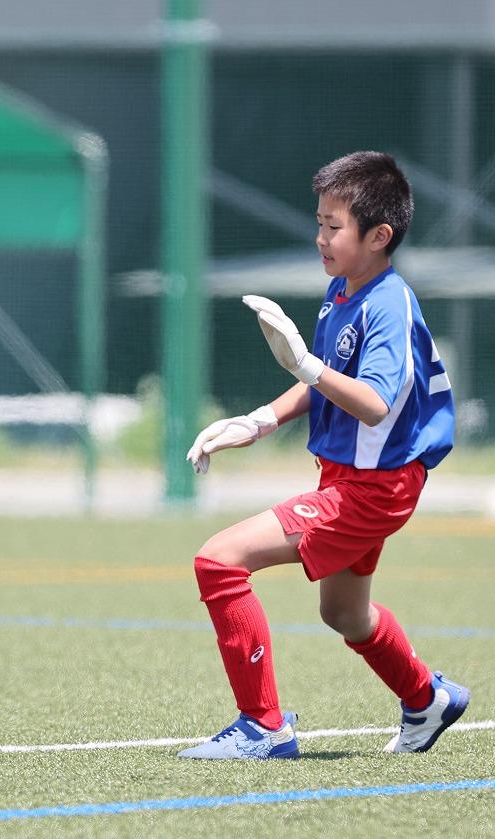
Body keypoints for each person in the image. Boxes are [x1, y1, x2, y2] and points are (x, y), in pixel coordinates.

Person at [179, 151, 468, 760]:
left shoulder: (387, 304)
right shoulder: (344, 289)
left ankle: (263, 726)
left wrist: (306, 365)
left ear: (378, 236)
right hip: (354, 478)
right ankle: (428, 699)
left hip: (372, 488)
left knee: (219, 562)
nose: (320, 238)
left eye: (333, 226)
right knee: (344, 614)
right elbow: (326, 380)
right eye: (319, 222)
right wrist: (260, 420)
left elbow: (373, 404)